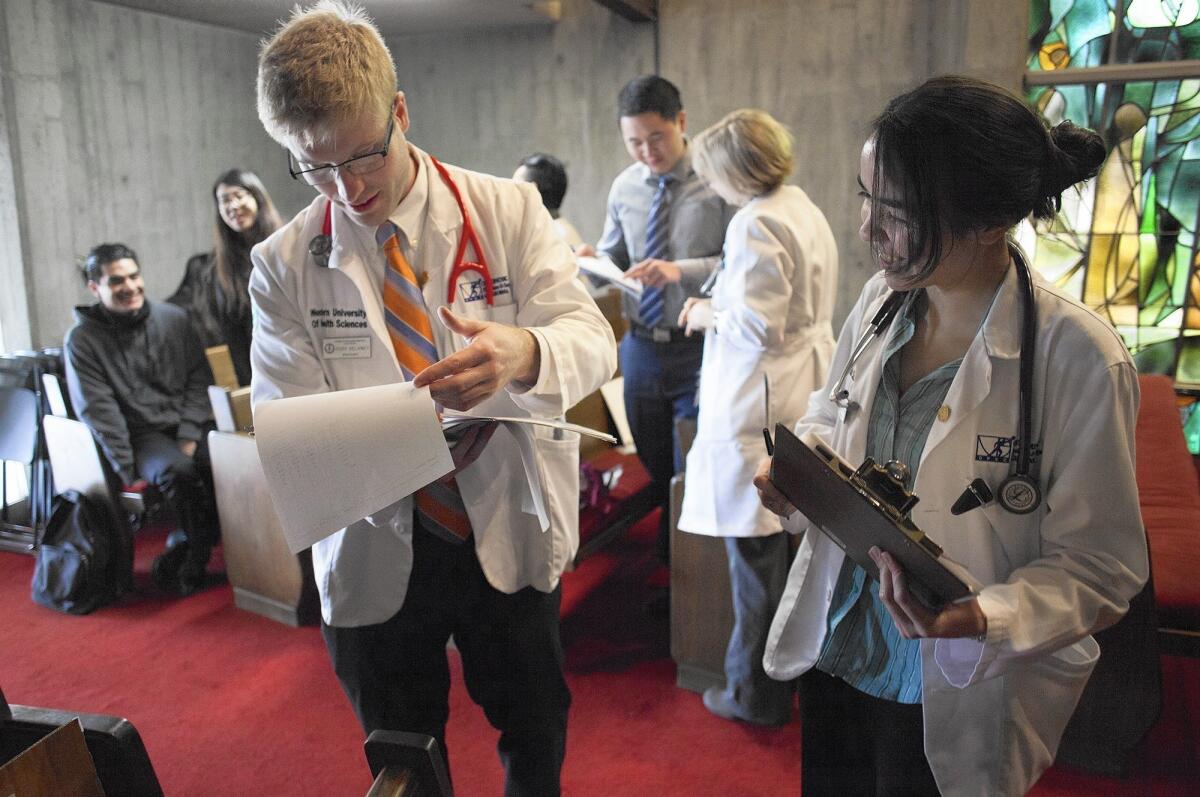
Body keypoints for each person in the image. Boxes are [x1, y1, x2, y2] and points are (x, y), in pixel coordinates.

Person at [249, 3, 615, 794]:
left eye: (362, 155)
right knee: (402, 751)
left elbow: (592, 339)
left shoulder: (508, 210)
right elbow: (290, 427)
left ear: (400, 113)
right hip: (377, 536)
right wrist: (415, 432)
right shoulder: (283, 264)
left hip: (502, 516)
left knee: (536, 724)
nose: (346, 189)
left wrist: (525, 351)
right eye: (313, 167)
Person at [753, 76, 1148, 796]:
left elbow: (1101, 565)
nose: (869, 229)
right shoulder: (881, 303)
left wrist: (986, 616)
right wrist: (800, 474)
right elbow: (833, 410)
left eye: (897, 211)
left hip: (954, 679)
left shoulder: (1079, 358)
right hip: (841, 647)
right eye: (866, 195)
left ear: (991, 220)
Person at [676, 109, 838, 727]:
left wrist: (702, 314)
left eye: (712, 176)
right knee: (786, 552)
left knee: (756, 560)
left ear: (734, 170)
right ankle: (780, 681)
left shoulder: (756, 220)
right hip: (799, 385)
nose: (712, 188)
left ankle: (754, 692)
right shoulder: (802, 207)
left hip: (760, 400)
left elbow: (755, 324)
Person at [577, 74, 734, 562]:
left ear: (681, 122)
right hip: (640, 347)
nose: (646, 152)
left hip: (698, 347)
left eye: (656, 138)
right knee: (655, 460)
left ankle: (685, 585)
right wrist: (590, 264)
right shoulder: (625, 187)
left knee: (691, 467)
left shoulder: (718, 182)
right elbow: (614, 256)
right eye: (634, 143)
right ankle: (677, 566)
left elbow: (738, 264)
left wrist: (677, 271)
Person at [63, 243, 219, 596]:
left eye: (134, 276)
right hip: (140, 435)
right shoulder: (81, 340)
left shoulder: (173, 319)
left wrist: (190, 432)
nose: (130, 286)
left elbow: (199, 377)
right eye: (117, 281)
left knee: (237, 460)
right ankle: (196, 555)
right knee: (178, 471)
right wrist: (125, 469)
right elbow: (98, 410)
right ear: (94, 288)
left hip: (184, 422)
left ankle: (199, 542)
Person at [168, 168, 283, 387]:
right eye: (224, 200)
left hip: (288, 364)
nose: (233, 206)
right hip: (247, 376)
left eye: (239, 196)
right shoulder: (212, 268)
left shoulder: (285, 248)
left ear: (257, 197)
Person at [513, 153, 583, 249]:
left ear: (532, 190)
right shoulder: (553, 231)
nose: (510, 193)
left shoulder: (555, 238)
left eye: (515, 186)